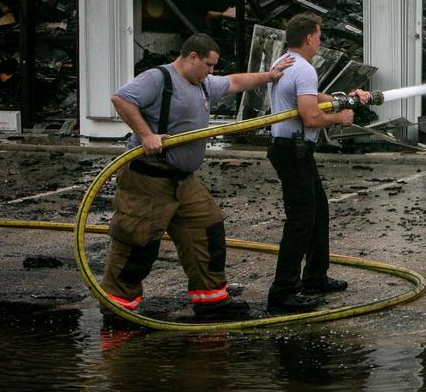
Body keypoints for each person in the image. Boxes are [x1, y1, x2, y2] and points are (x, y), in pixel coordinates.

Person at [102, 33, 292, 320]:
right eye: (208, 65)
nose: (211, 72)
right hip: (149, 178)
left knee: (207, 228)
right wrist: (146, 135)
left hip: (182, 180)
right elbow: (121, 98)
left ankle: (211, 301)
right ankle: (118, 311)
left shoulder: (202, 84)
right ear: (191, 57)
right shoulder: (159, 79)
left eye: (214, 67)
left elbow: (235, 82)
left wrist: (270, 75)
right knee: (137, 242)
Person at [265, 12, 370, 314]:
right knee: (300, 220)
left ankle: (315, 276)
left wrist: (345, 100)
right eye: (319, 36)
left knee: (318, 211)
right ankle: (283, 292)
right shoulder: (305, 68)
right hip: (293, 150)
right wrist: (342, 118)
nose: (320, 41)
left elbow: (311, 97)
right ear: (310, 38)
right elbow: (311, 115)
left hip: (291, 149)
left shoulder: (285, 63)